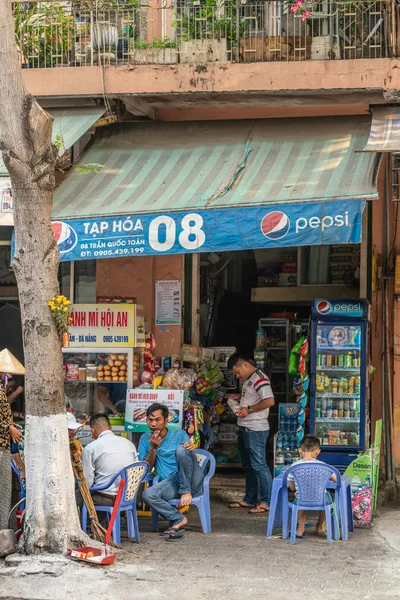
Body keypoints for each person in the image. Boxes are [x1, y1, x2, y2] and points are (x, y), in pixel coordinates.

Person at [139, 403, 204, 539]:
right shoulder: (145, 438)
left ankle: (185, 491)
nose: (153, 423)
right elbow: (145, 468)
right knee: (147, 495)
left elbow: (190, 460)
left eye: (157, 420)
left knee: (182, 449)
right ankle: (178, 518)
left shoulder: (179, 434)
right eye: (150, 420)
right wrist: (153, 449)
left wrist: (189, 449)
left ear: (166, 420)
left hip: (191, 480)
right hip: (171, 483)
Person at [227, 353, 274, 514]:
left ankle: (267, 501)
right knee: (249, 466)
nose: (237, 375)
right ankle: (250, 499)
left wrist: (250, 409)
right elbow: (254, 398)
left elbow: (269, 400)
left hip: (256, 429)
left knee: (259, 465)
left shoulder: (260, 378)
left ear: (245, 365)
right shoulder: (249, 379)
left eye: (237, 372)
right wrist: (240, 397)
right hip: (245, 428)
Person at [79, 413, 138, 507]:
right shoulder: (129, 444)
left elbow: (87, 483)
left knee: (76, 496)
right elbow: (135, 471)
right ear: (110, 428)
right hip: (127, 498)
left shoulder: (91, 448)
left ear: (92, 431)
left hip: (104, 499)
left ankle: (96, 521)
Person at [288, 434, 337, 538]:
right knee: (328, 499)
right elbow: (336, 479)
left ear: (299, 451)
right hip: (321, 499)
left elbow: (291, 486)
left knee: (301, 500)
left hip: (301, 499)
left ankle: (300, 529)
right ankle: (320, 527)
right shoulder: (323, 466)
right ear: (318, 451)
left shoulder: (294, 466)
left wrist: (294, 489)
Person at [0, 380, 22, 529]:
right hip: (1, 444)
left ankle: (3, 528)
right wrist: (9, 427)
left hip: (4, 444)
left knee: (5, 490)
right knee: (4, 489)